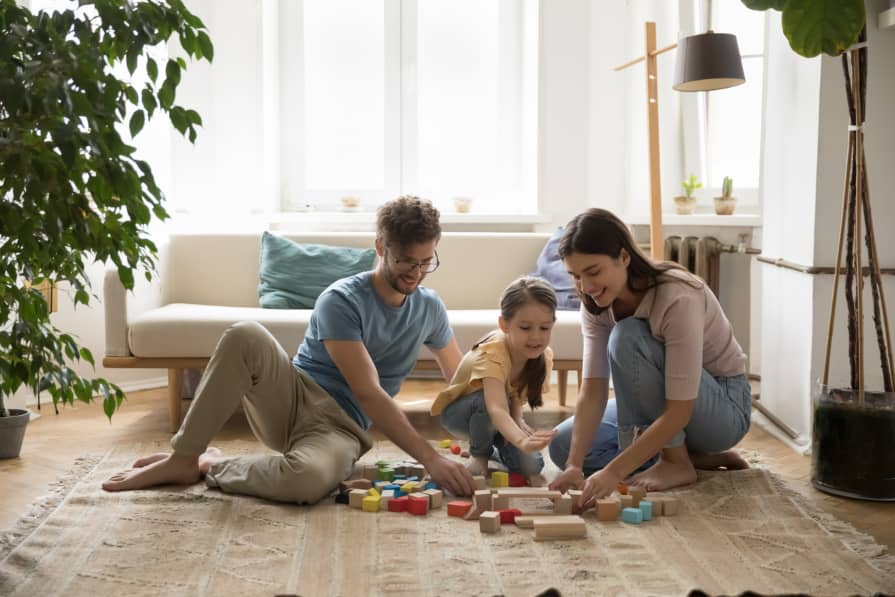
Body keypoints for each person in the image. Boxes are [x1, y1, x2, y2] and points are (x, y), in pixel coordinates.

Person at [102, 196, 476, 501]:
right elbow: (368, 392)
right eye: (405, 261)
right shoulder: (341, 300)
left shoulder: (429, 308)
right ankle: (184, 457)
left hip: (341, 428)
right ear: (380, 247)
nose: (416, 272)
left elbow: (459, 382)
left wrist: (502, 418)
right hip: (292, 400)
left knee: (308, 480)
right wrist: (430, 458)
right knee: (245, 333)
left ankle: (211, 465)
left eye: (427, 262)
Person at [549, 208, 750, 507]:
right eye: (576, 276)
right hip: (671, 406)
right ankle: (691, 456)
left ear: (625, 257)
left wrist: (613, 472)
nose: (586, 287)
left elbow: (679, 411)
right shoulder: (594, 303)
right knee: (562, 445)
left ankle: (676, 462)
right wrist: (574, 466)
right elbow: (593, 391)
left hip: (722, 406)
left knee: (628, 336)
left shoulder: (677, 297)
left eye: (593, 272)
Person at [431, 276, 559, 480]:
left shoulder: (543, 356)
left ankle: (492, 450)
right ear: (504, 324)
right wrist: (521, 440)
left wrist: (517, 419)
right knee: (486, 402)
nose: (536, 337)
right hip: (462, 414)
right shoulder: (493, 352)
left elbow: (515, 390)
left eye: (544, 328)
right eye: (525, 328)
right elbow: (496, 408)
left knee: (532, 465)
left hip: (498, 415)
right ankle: (479, 455)